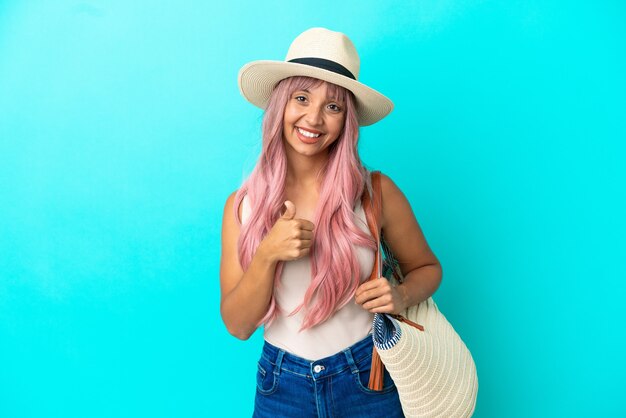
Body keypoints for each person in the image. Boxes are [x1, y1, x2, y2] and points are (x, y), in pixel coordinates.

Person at [220, 27, 442, 418]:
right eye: (301, 98)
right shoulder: (243, 206)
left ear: (348, 121)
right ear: (280, 104)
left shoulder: (375, 192)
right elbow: (238, 326)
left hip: (368, 379)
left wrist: (402, 295)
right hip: (281, 383)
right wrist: (268, 253)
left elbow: (427, 268)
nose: (314, 118)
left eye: (333, 107)